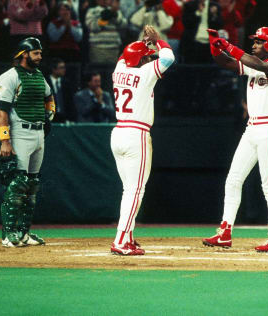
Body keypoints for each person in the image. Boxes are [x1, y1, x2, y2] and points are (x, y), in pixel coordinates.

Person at [202, 27, 268, 252]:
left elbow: (259, 65)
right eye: (254, 41)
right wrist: (214, 46)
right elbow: (226, 63)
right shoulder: (251, 65)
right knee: (233, 179)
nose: (254, 44)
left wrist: (230, 46)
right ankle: (225, 232)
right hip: (252, 128)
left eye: (259, 42)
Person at [110, 25, 175, 255]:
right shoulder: (144, 73)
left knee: (129, 190)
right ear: (140, 61)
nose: (149, 60)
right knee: (135, 191)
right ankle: (120, 240)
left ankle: (127, 235)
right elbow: (169, 56)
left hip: (118, 133)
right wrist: (156, 41)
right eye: (145, 58)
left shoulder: (118, 70)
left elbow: (125, 56)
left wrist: (142, 43)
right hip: (136, 134)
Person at [0, 37, 55, 247]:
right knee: (17, 184)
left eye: (40, 53)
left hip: (38, 133)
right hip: (19, 131)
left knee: (32, 184)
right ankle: (8, 234)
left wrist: (50, 114)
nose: (40, 56)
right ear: (24, 54)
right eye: (36, 53)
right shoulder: (9, 77)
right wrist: (5, 140)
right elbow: (1, 110)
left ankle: (24, 232)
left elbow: (49, 97)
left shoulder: (38, 76)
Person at [45, 58, 77, 122]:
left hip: (64, 119)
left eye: (64, 67)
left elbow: (71, 103)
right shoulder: (45, 83)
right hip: (49, 118)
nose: (64, 70)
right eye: (61, 68)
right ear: (54, 69)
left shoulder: (67, 83)